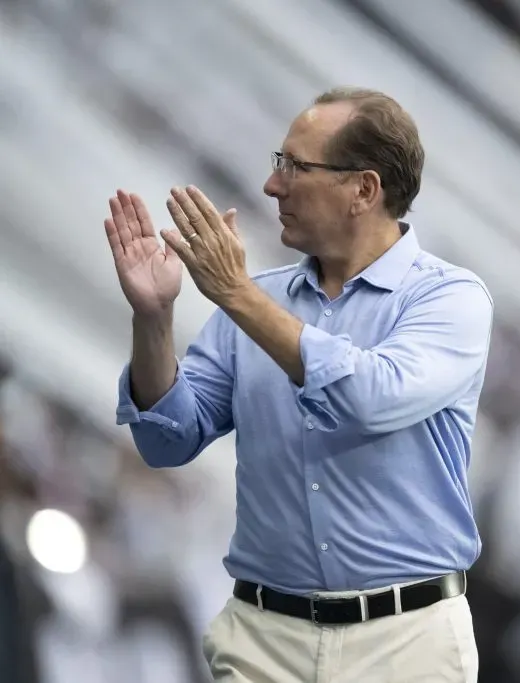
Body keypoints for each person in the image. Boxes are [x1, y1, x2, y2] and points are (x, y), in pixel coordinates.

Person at [105, 87, 493, 682]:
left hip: (406, 642)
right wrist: (153, 318)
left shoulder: (448, 300)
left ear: (363, 190)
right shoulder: (257, 299)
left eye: (294, 166)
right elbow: (167, 440)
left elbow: (370, 397)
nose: (271, 185)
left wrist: (237, 294)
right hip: (264, 639)